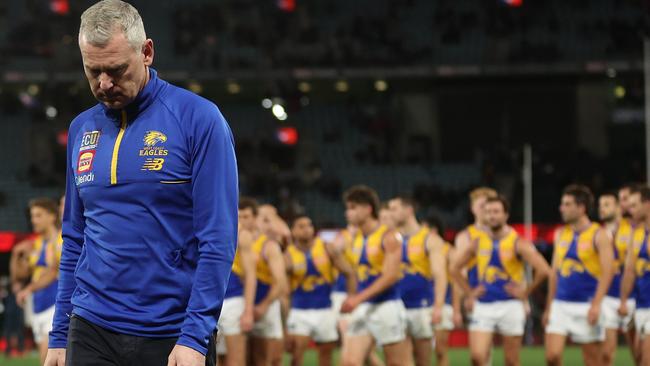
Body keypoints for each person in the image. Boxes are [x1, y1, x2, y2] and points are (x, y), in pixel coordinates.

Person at [45, 1, 239, 365]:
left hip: (169, 332)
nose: (104, 84)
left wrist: (195, 337)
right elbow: (74, 238)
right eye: (93, 71)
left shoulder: (199, 119)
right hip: (90, 327)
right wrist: (59, 335)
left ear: (146, 52)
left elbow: (218, 238)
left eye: (117, 70)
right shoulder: (81, 129)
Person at [451, 195, 550, 366]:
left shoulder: (517, 242)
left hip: (510, 305)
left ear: (506, 215)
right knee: (477, 357)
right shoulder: (477, 242)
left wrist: (526, 292)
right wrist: (470, 293)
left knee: (511, 360)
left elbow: (543, 270)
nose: (491, 216)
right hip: (484, 305)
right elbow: (454, 268)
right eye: (488, 212)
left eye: (496, 212)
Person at [339, 185, 412, 366]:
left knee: (396, 363)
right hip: (364, 306)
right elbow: (358, 274)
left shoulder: (388, 236)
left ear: (368, 209)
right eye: (348, 208)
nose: (348, 213)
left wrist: (357, 299)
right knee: (349, 362)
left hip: (387, 305)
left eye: (353, 208)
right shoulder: (356, 238)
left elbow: (391, 276)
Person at [544, 184, 614, 366]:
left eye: (567, 204)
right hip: (561, 304)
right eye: (562, 204)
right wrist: (549, 306)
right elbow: (554, 273)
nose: (562, 208)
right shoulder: (560, 234)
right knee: (552, 356)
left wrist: (597, 304)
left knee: (592, 361)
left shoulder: (599, 235)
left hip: (587, 305)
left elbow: (608, 272)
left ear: (581, 208)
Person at [285, 215, 356, 366]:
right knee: (296, 356)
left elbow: (349, 272)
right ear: (293, 231)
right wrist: (285, 318)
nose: (306, 229)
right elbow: (284, 291)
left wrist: (351, 298)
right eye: (301, 226)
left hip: (325, 310)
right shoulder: (288, 255)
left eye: (309, 225)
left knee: (326, 356)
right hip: (299, 311)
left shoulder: (326, 248)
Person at [388, 196, 448, 366]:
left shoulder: (430, 239)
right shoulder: (390, 239)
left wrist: (438, 306)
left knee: (423, 361)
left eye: (394, 209)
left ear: (409, 210)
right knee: (399, 361)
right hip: (395, 306)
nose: (390, 214)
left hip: (421, 307)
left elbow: (440, 275)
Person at [10, 198, 62, 364]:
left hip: (55, 304)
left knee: (48, 359)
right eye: (32, 216)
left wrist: (28, 289)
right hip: (39, 306)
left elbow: (53, 272)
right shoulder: (37, 244)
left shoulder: (61, 241)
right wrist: (16, 255)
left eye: (38, 215)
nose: (34, 220)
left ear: (52, 216)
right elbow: (19, 276)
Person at [216, 197, 258, 366]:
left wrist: (248, 310)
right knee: (212, 359)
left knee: (236, 360)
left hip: (234, 300)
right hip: (212, 300)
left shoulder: (242, 235)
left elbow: (250, 275)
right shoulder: (207, 228)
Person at [598, 191, 638, 365]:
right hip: (608, 298)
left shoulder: (632, 229)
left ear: (617, 208)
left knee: (639, 354)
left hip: (633, 297)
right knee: (606, 354)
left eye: (607, 205)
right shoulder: (597, 233)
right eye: (600, 205)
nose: (602, 209)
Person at [250, 205, 289, 366]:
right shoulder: (240, 238)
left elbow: (285, 234)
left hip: (268, 303)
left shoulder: (271, 243)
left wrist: (269, 215)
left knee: (272, 358)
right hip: (245, 303)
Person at [619, 185, 650, 366]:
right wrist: (623, 300)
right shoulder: (637, 234)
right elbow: (629, 271)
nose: (630, 210)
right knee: (638, 358)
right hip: (641, 304)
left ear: (647, 204)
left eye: (635, 205)